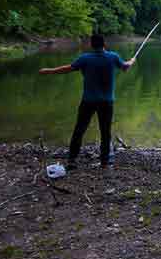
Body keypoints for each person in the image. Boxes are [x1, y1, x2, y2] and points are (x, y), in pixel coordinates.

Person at [39, 34, 135, 168]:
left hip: (88, 101)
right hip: (106, 102)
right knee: (105, 132)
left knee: (79, 130)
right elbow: (125, 67)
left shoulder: (85, 58)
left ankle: (72, 160)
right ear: (104, 44)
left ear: (91, 45)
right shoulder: (113, 57)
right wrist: (131, 61)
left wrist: (48, 71)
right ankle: (104, 163)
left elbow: (67, 69)